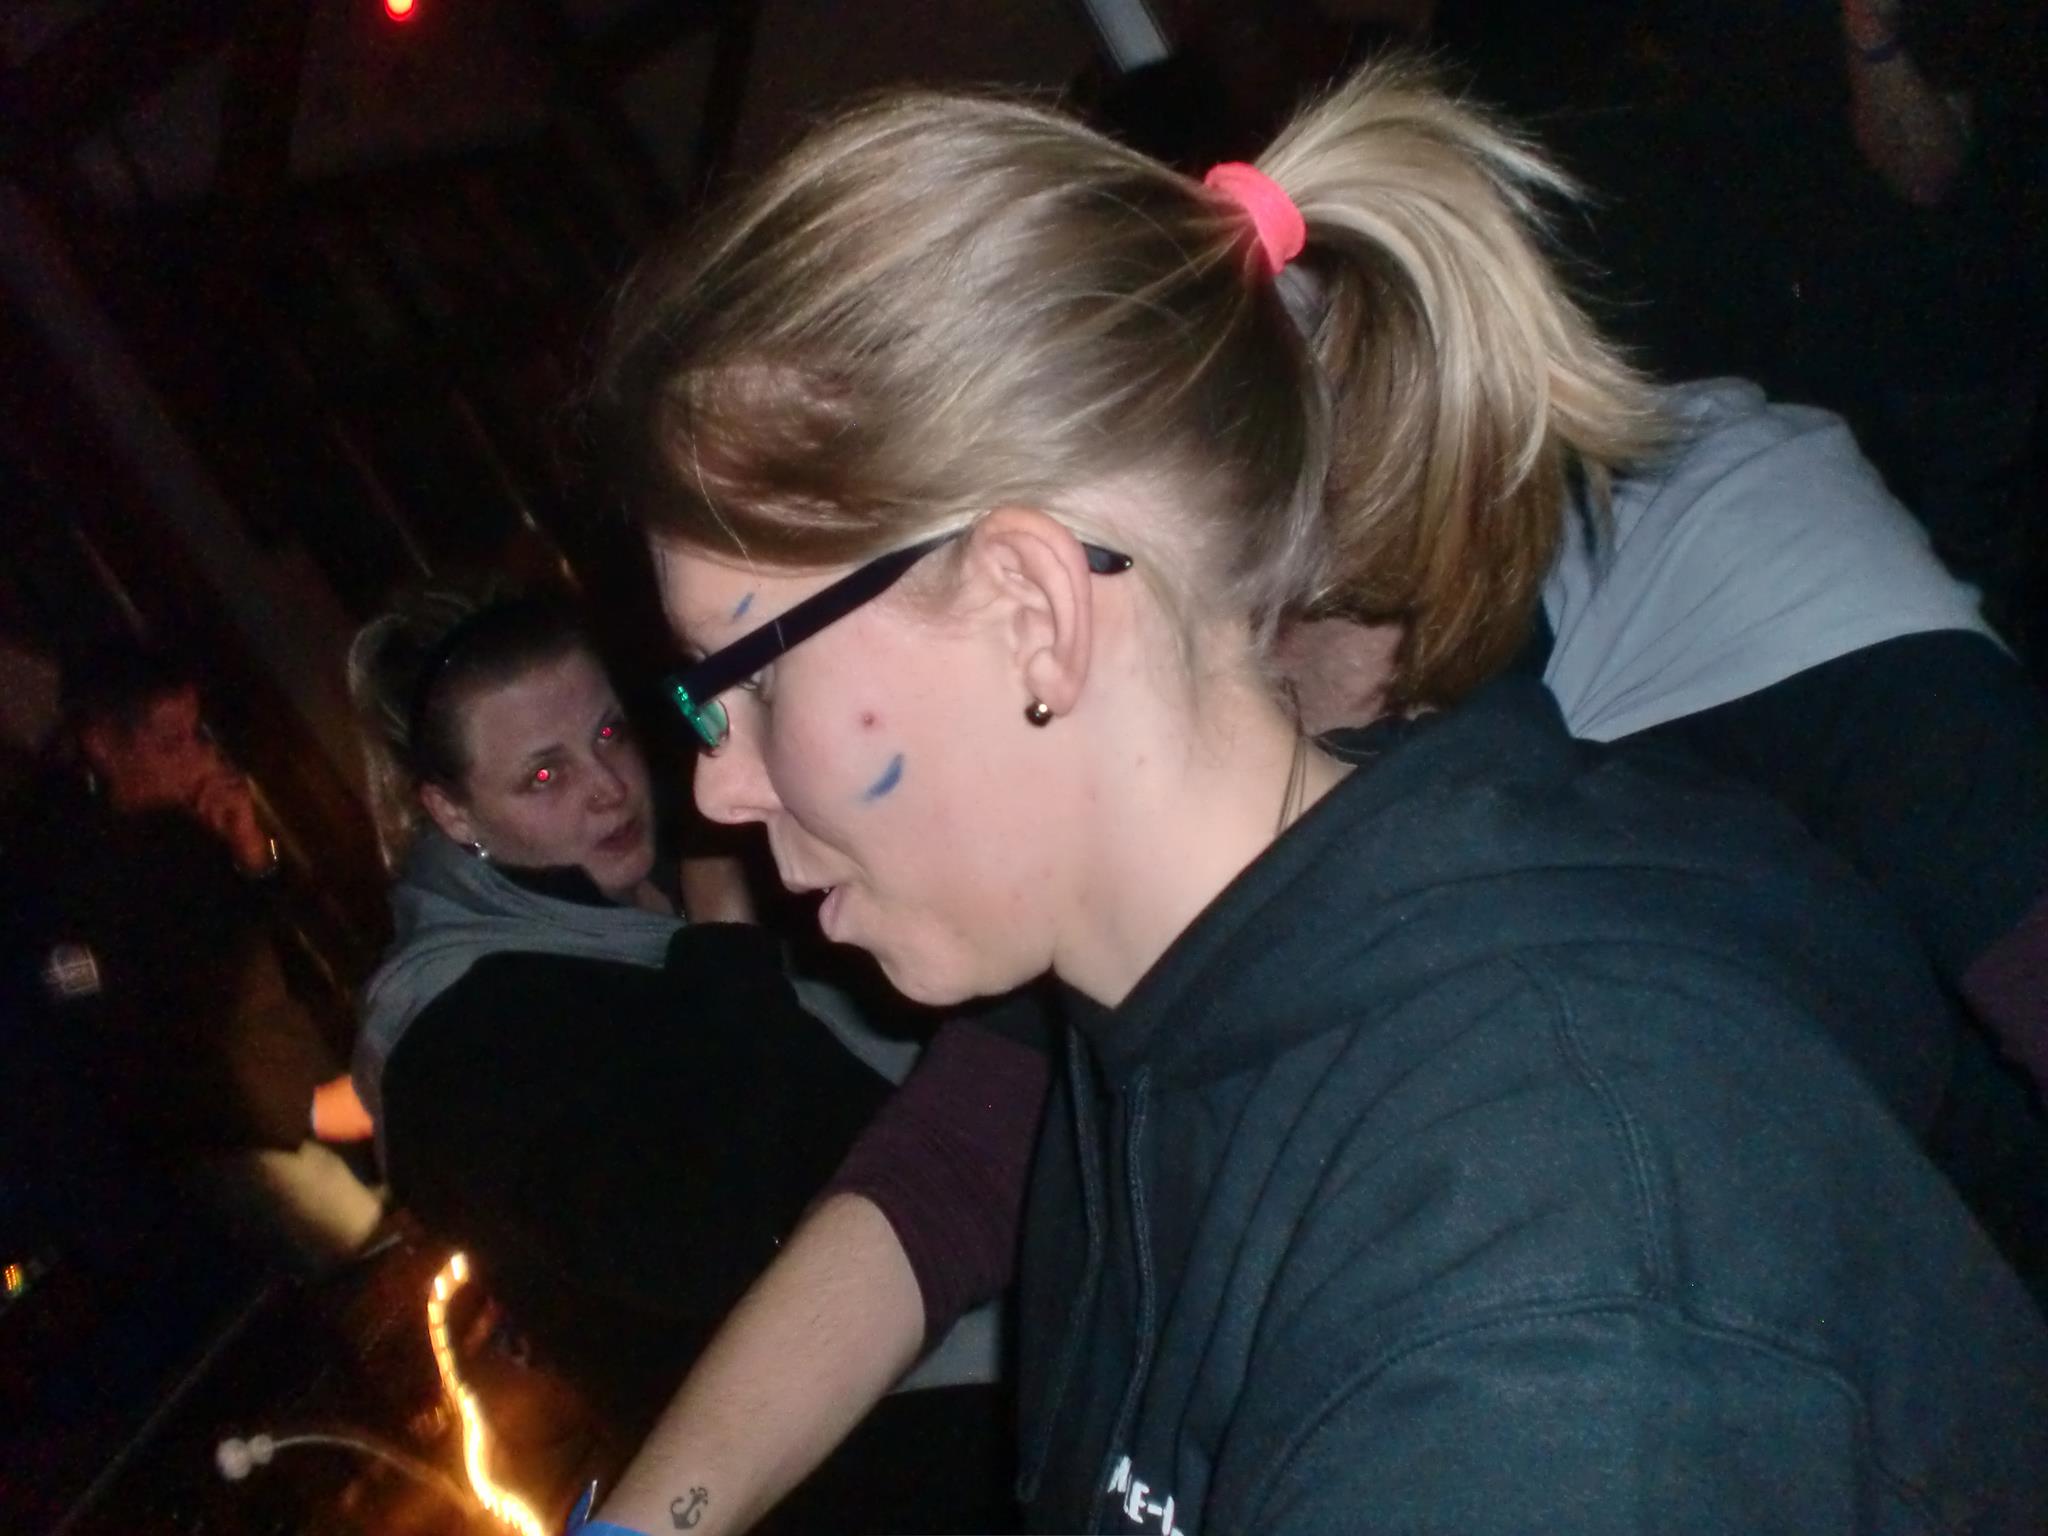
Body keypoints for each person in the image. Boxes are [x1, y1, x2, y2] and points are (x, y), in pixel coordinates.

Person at [577, 61, 2048, 1534]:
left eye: (747, 676)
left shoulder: (1548, 1298)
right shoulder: (1157, 1003)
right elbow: (939, 1180)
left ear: (1033, 611)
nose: (718, 783)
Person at [345, 588, 1012, 1529]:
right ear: (453, 814)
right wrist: (726, 942)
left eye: (608, 734)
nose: (606, 787)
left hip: (956, 1321)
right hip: (861, 1455)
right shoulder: (456, 1043)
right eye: (544, 775)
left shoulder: (640, 883)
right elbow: (698, 1238)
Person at [1, 641, 383, 1270]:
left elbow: (274, 947)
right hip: (250, 1151)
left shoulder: (186, 832)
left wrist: (255, 858)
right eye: (170, 741)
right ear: (105, 745)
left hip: (315, 1088)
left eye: (197, 733)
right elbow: (141, 1057)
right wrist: (304, 1108)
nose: (198, 755)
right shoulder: (67, 885)